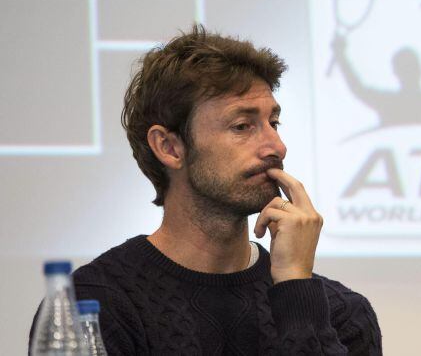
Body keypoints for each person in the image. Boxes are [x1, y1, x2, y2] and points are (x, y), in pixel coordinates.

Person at [30, 25, 382, 355]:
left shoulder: (341, 313)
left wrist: (295, 288)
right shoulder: (92, 306)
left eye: (274, 122)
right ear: (169, 147)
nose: (276, 145)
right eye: (243, 126)